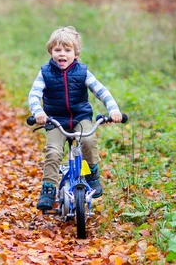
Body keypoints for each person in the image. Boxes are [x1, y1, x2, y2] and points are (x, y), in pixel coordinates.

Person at [28, 26, 122, 211]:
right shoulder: (45, 73)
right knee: (54, 151)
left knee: (88, 140)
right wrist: (38, 112)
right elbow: (34, 95)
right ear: (51, 51)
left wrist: (113, 110)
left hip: (80, 117)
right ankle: (48, 189)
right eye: (57, 50)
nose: (62, 54)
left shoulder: (83, 72)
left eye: (67, 50)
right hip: (55, 120)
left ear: (76, 54)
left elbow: (101, 92)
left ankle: (92, 175)